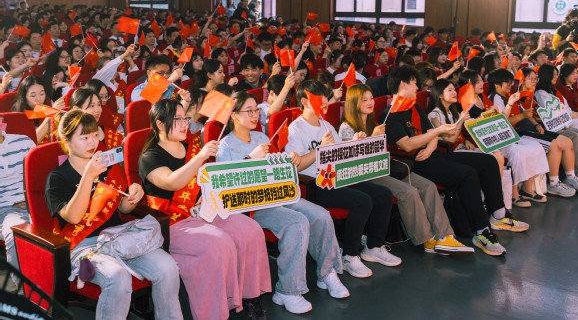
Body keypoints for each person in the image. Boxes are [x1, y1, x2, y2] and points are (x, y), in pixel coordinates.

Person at [217, 91, 349, 314]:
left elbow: (274, 168)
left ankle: (326, 273)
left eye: (256, 110)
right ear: (234, 116)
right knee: (297, 222)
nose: (255, 115)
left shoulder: (261, 138)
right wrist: (250, 159)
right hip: (251, 206)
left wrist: (289, 160)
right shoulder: (225, 146)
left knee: (321, 215)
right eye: (248, 111)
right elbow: (226, 186)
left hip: (277, 194)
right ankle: (287, 290)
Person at [139, 99, 271, 320]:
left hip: (203, 211)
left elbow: (209, 181)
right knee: (219, 244)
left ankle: (251, 299)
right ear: (160, 124)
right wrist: (201, 156)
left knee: (250, 230)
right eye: (178, 120)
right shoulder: (150, 156)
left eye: (185, 118)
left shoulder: (190, 147)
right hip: (171, 221)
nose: (185, 124)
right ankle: (214, 312)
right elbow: (172, 182)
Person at [45, 110, 183, 320]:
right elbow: (73, 217)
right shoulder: (57, 177)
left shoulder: (107, 166)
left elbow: (123, 209)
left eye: (94, 135)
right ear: (66, 141)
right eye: (84, 137)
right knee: (117, 277)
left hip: (119, 238)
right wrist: (88, 177)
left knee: (168, 268)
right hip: (84, 246)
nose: (92, 142)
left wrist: (133, 195)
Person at [382, 66, 527, 256]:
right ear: (403, 84)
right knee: (467, 174)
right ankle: (481, 231)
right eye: (415, 83)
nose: (417, 87)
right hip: (414, 162)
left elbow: (431, 134)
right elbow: (407, 145)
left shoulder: (414, 107)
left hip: (433, 153)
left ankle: (498, 215)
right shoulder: (390, 114)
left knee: (488, 161)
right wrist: (436, 133)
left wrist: (432, 145)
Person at [340, 84, 474, 255]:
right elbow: (349, 160)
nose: (370, 102)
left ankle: (445, 236)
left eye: (371, 98)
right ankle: (426, 239)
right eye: (364, 100)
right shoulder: (346, 127)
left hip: (385, 167)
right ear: (353, 103)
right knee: (409, 192)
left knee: (428, 186)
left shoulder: (374, 123)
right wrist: (372, 138)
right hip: (367, 174)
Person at [285, 80, 401, 278]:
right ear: (305, 102)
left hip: (337, 177)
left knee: (383, 194)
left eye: (325, 97)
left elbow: (341, 155)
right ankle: (350, 255)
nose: (325, 101)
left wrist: (354, 143)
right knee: (362, 201)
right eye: (320, 98)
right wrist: (320, 148)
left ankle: (373, 247)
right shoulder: (296, 129)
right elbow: (296, 166)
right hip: (315, 184)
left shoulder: (326, 124)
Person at [431, 77, 547, 209]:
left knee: (498, 155)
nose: (454, 92)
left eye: (454, 89)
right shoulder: (434, 115)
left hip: (464, 146)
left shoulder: (454, 111)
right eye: (450, 90)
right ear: (440, 95)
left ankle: (495, 196)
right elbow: (450, 140)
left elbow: (465, 132)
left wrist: (466, 137)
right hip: (448, 153)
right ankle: (493, 197)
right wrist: (462, 122)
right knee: (494, 156)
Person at [488, 68, 578, 196]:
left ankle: (570, 177)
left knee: (567, 141)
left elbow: (526, 114)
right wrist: (522, 116)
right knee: (554, 145)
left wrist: (536, 124)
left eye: (511, 82)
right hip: (523, 132)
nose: (510, 85)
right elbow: (503, 122)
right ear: (496, 84)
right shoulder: (496, 99)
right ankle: (554, 183)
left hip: (532, 128)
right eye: (507, 82)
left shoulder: (509, 96)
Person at [0, 117, 35, 273]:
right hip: (6, 209)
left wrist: (31, 199)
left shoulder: (24, 142)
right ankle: (24, 287)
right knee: (17, 235)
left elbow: (42, 176)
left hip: (34, 202)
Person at [12, 76, 65, 144]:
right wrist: (50, 116)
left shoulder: (45, 107)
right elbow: (30, 143)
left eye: (42, 94)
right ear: (24, 97)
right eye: (33, 95)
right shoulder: (17, 117)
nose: (38, 99)